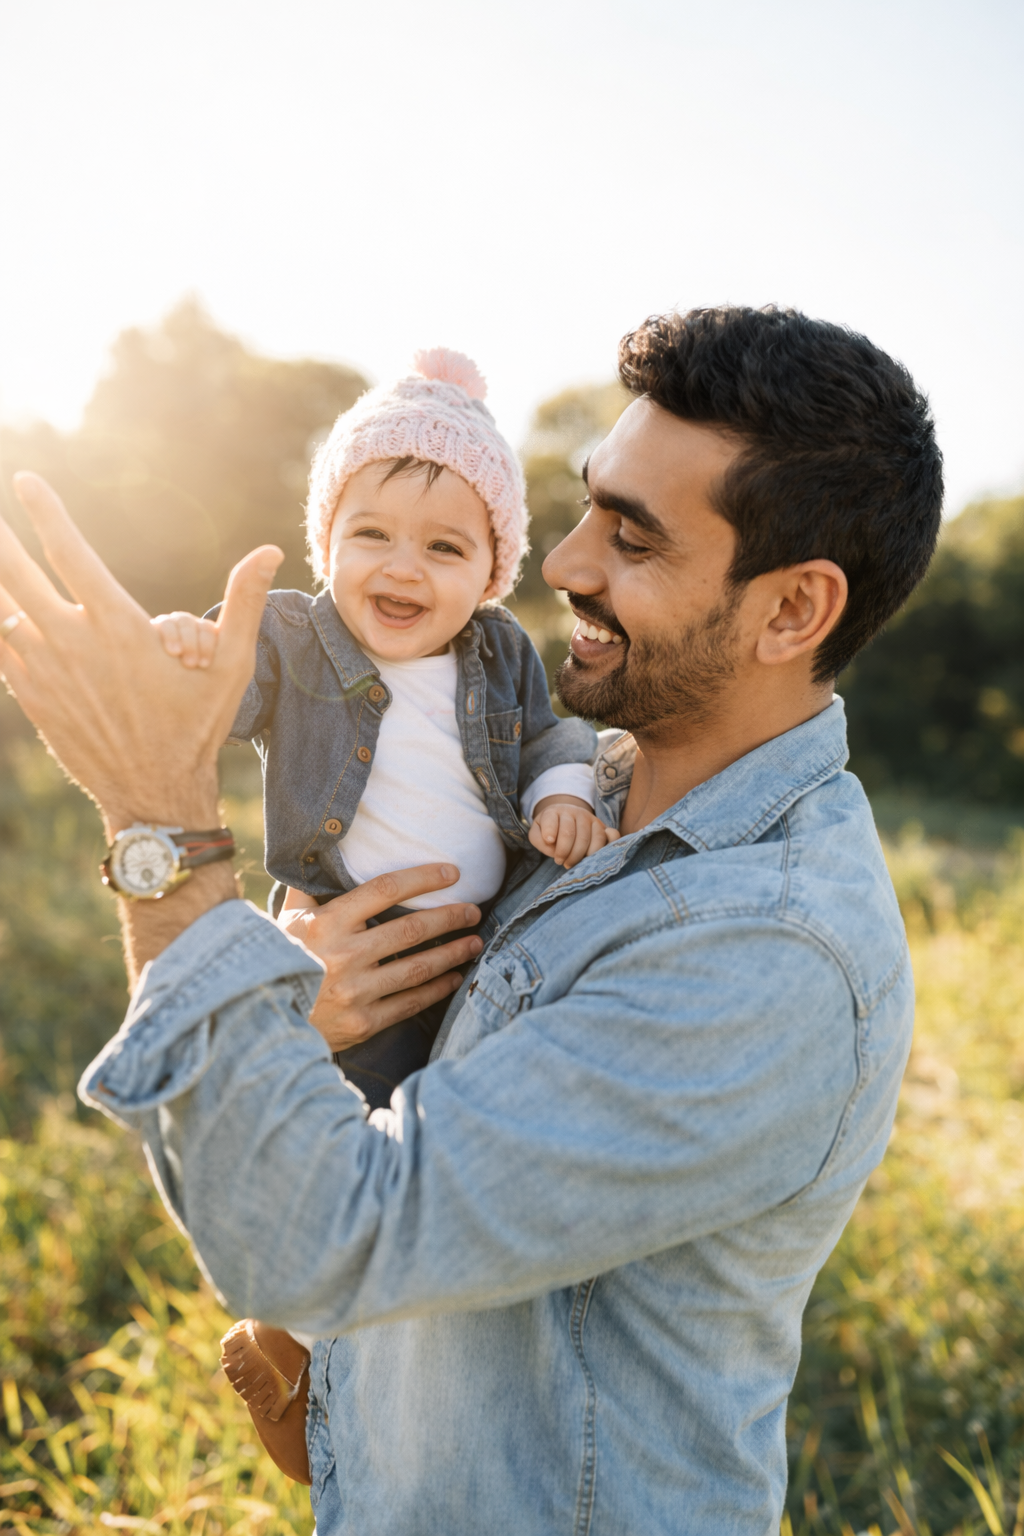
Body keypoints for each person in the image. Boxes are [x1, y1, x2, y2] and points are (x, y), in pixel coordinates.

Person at [0, 305, 943, 1535]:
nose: (559, 565)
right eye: (588, 504)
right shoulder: (578, 790)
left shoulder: (765, 951)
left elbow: (321, 1238)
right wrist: (294, 1002)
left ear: (790, 611)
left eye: (632, 538)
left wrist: (159, 824)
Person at [152, 347, 609, 1108]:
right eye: (372, 536)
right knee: (356, 1109)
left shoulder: (499, 650)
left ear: (490, 572)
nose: (403, 568)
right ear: (327, 542)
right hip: (349, 940)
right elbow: (220, 703)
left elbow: (544, 736)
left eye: (443, 547)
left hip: (481, 950)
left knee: (466, 1114)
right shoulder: (293, 635)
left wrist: (562, 795)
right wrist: (191, 661)